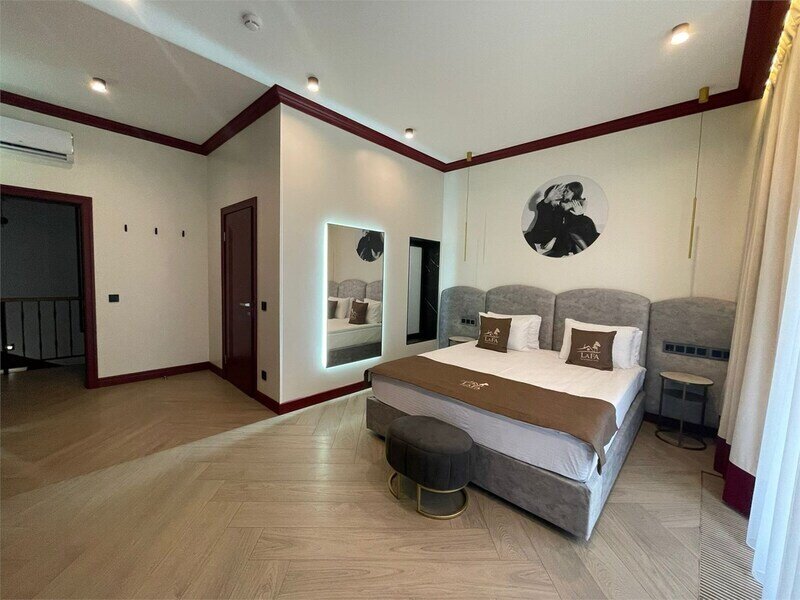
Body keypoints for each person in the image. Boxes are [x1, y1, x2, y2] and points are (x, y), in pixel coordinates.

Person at [523, 181, 599, 257]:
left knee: (567, 240)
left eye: (562, 192)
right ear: (550, 194)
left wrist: (580, 212)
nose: (561, 194)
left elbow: (582, 203)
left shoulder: (562, 208)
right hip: (542, 235)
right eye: (557, 192)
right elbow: (541, 208)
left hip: (559, 238)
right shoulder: (545, 206)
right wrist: (547, 199)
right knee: (528, 236)